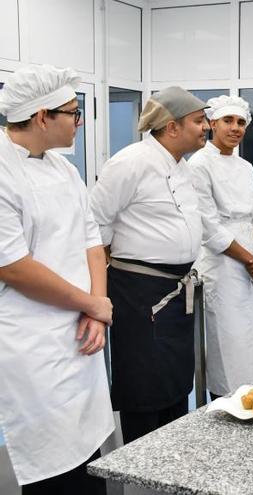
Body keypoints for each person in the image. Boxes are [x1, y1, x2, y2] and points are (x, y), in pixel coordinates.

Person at [0, 64, 114, 494]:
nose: (78, 121)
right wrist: (90, 304)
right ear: (42, 116)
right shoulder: (3, 171)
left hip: (82, 327)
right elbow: (12, 265)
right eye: (72, 112)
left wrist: (97, 307)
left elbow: (91, 239)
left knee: (87, 452)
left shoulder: (63, 169)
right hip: (32, 336)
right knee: (51, 462)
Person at [90, 86, 208, 443]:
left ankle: (170, 452)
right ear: (172, 127)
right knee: (144, 381)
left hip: (176, 288)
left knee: (174, 377)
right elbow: (94, 226)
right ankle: (139, 457)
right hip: (139, 293)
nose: (206, 127)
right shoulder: (130, 163)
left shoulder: (182, 167)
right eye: (199, 121)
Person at [188, 95, 253, 400]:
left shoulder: (245, 167)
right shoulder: (199, 164)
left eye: (241, 122)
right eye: (228, 121)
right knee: (230, 339)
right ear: (212, 123)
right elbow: (209, 226)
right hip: (223, 261)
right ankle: (228, 399)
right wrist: (248, 259)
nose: (236, 128)